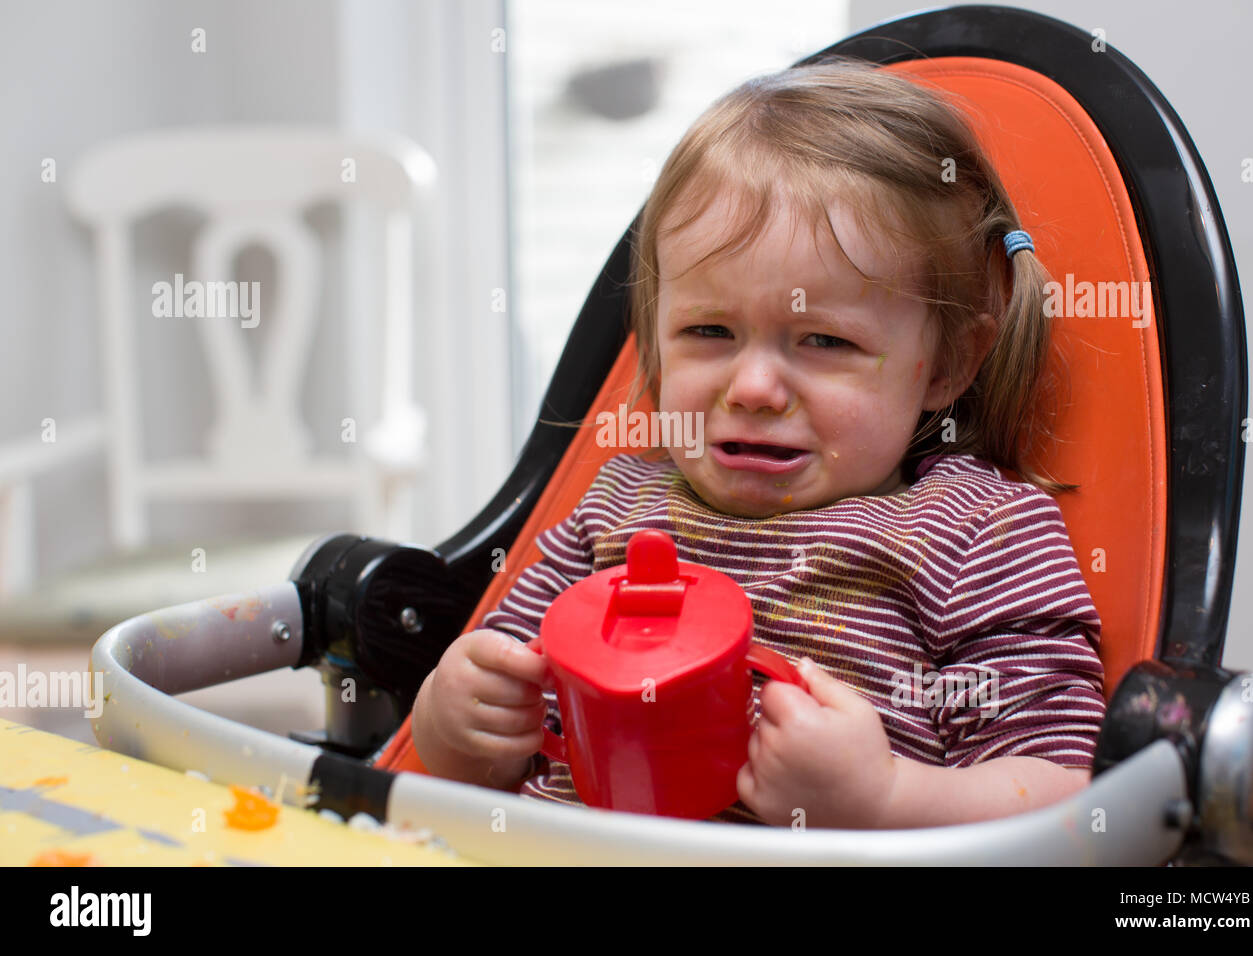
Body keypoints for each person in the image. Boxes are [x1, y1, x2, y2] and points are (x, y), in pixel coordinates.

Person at [409, 56, 1105, 829]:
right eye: (709, 331)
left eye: (823, 341)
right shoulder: (615, 509)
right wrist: (457, 723)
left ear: (946, 365)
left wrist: (884, 800)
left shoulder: (977, 535)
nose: (753, 389)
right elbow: (490, 734)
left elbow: (1069, 800)